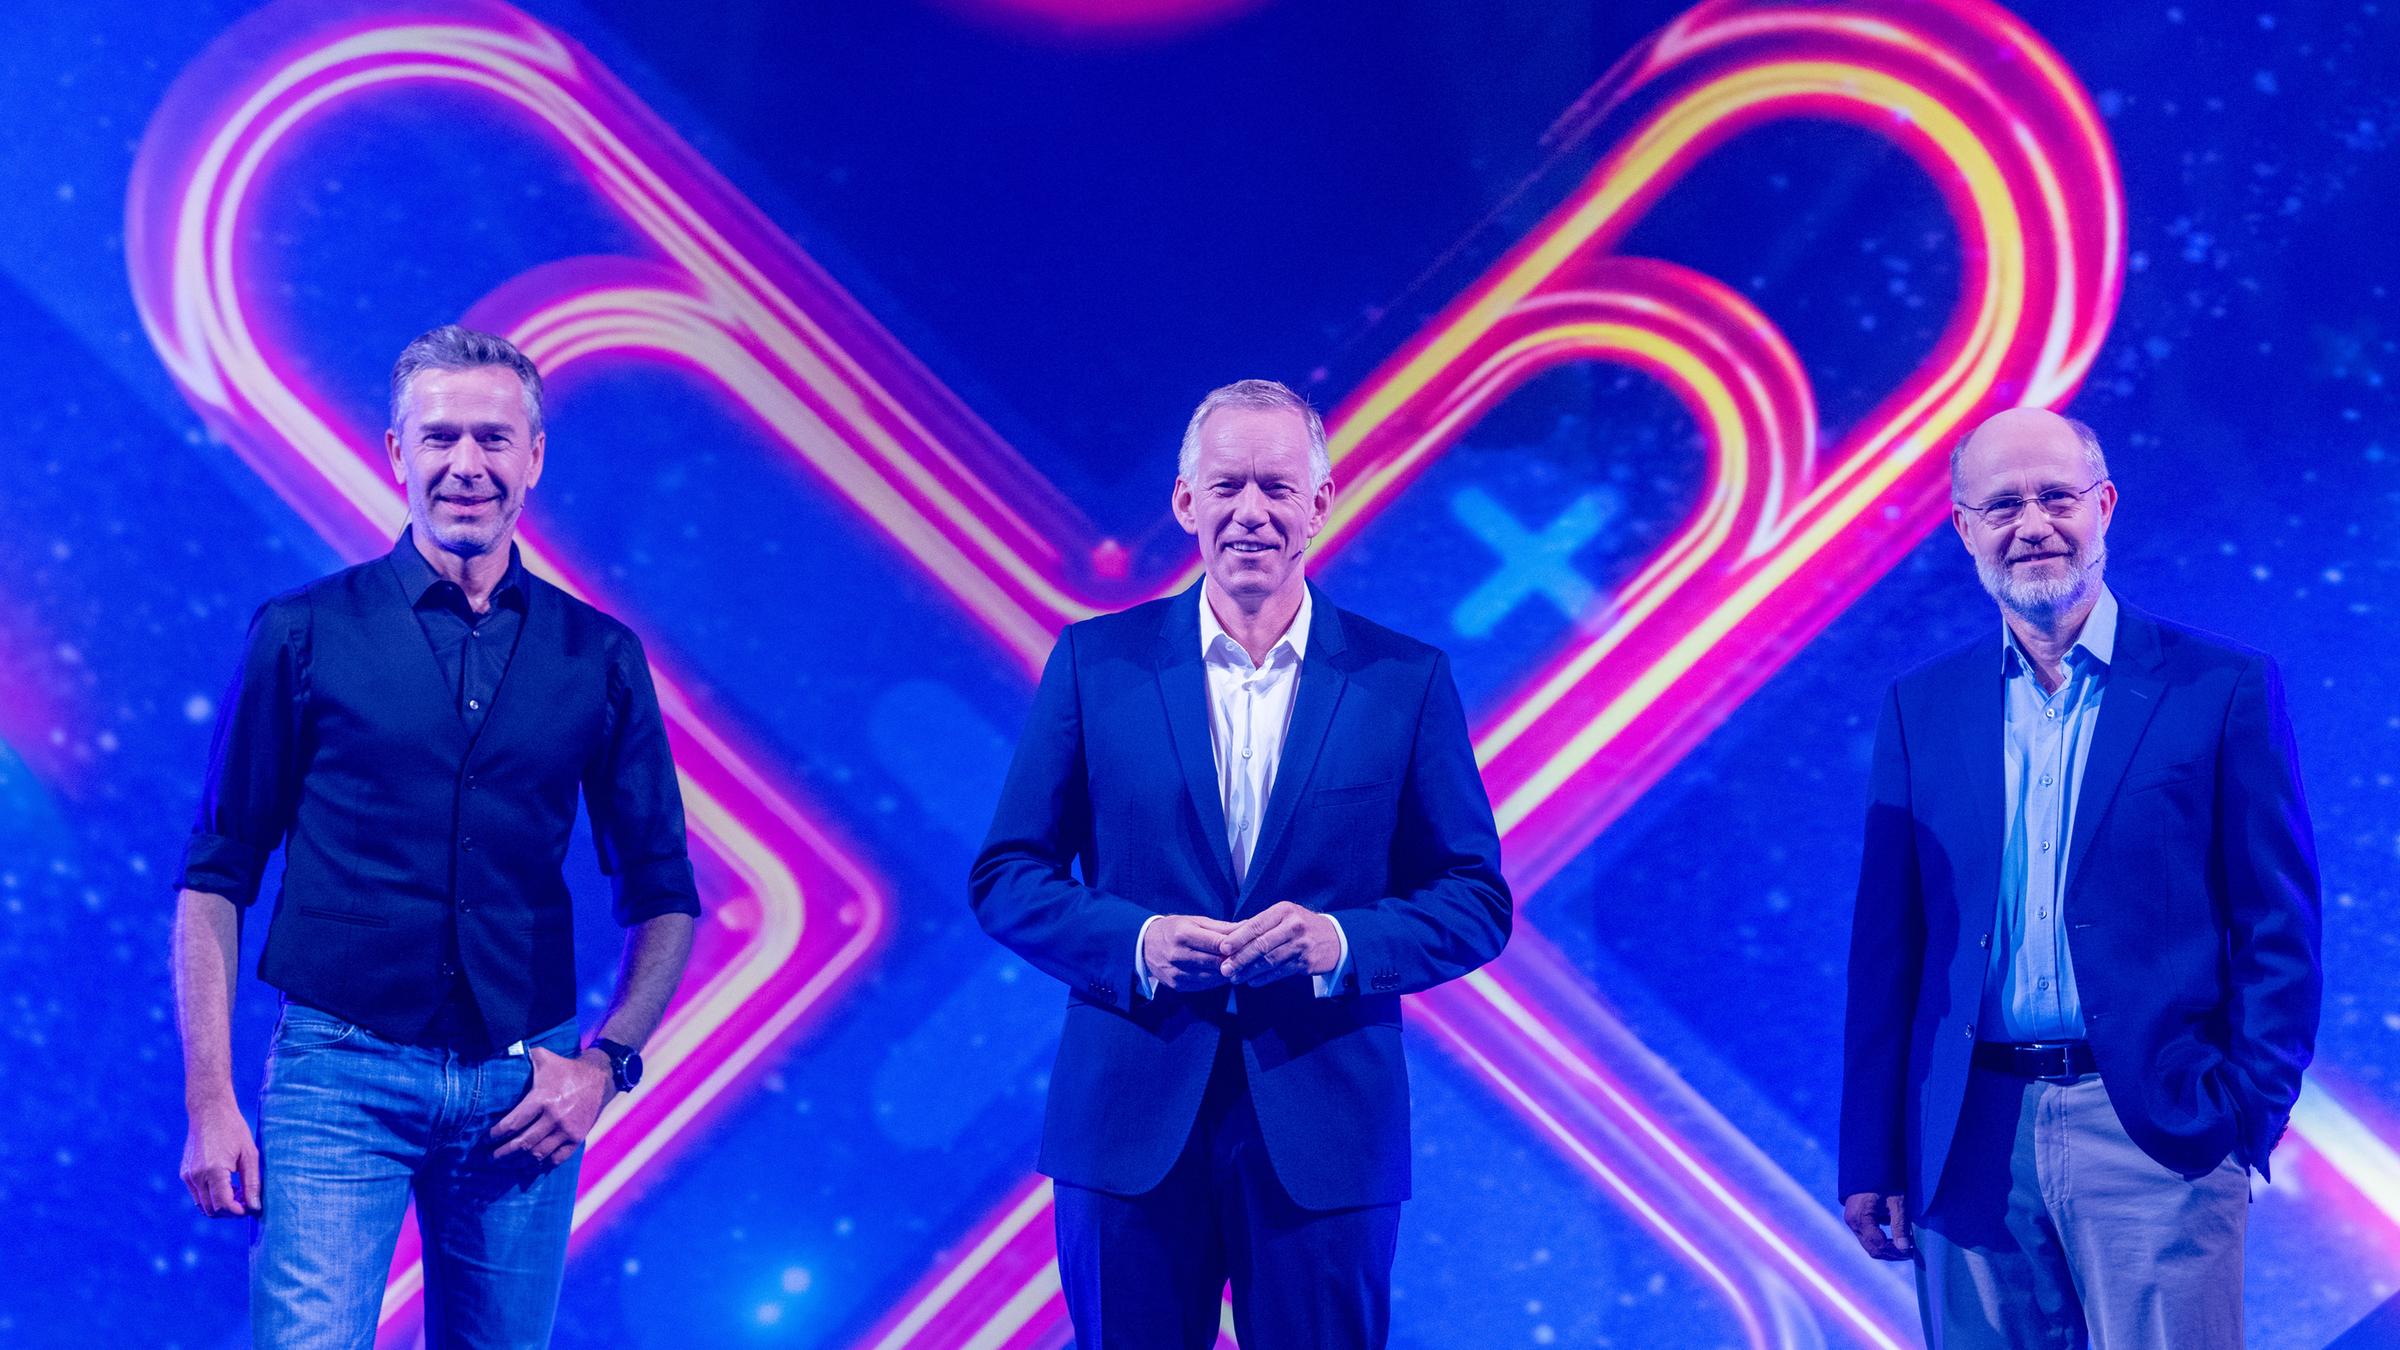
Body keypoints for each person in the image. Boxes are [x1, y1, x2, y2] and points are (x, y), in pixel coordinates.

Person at [171, 324, 700, 1347]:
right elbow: (215, 873)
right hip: (339, 1077)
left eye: (495, 440)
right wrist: (210, 1098)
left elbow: (664, 892)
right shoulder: (302, 631)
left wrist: (608, 1064)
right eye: (443, 436)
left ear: (534, 458)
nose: (468, 464)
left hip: (524, 1091)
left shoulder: (599, 655)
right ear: (397, 453)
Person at [970, 379, 1512, 1348]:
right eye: (1226, 488)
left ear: (1320, 501)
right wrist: (1137, 941)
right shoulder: (1097, 664)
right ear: (1186, 503)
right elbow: (1008, 873)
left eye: (1275, 486)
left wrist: (1338, 940)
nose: (1250, 513)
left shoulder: (1405, 679)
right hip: (1128, 1123)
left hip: (1327, 1130)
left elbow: (1474, 899)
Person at [1838, 407, 2321, 1347]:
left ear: (2104, 506)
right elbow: (1886, 954)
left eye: (2058, 496)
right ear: (1964, 528)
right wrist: (1871, 1148)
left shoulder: (2221, 687)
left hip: (2156, 1126)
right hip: (1968, 1143)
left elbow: (2280, 929)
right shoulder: (1919, 708)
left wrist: (2242, 1112)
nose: (2034, 525)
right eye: (2003, 504)